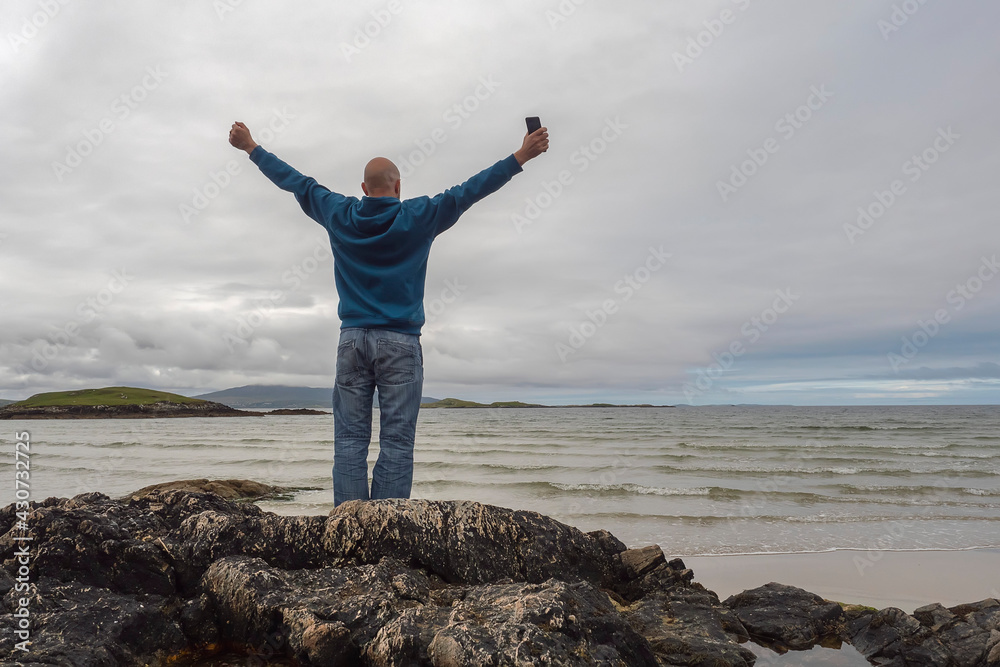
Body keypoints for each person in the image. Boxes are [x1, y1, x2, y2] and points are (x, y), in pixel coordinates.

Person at [228, 119, 549, 505]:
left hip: (352, 340)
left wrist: (251, 147)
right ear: (398, 187)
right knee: (397, 442)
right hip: (400, 342)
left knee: (348, 441)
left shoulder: (339, 212)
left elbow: (297, 181)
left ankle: (348, 530)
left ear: (364, 189)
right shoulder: (420, 215)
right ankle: (386, 537)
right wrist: (521, 156)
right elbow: (470, 190)